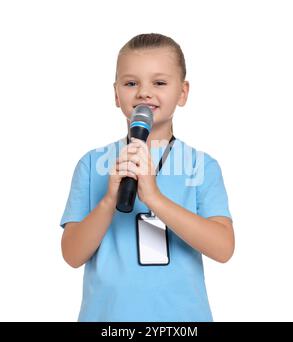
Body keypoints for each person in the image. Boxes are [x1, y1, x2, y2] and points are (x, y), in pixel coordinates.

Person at [60, 33, 234, 322]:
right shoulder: (92, 164)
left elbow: (224, 248)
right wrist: (107, 201)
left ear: (183, 93)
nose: (144, 92)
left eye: (160, 83)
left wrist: (154, 197)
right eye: (131, 83)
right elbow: (72, 255)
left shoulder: (201, 165)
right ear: (116, 94)